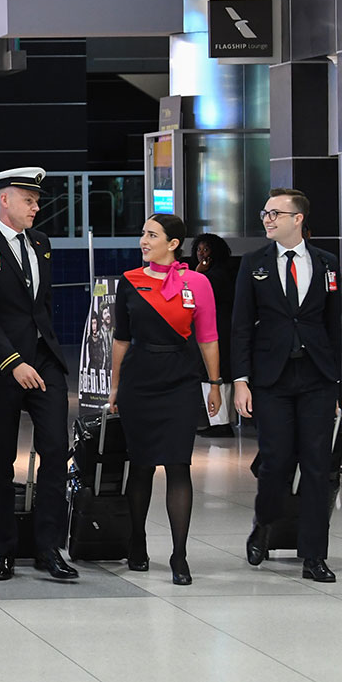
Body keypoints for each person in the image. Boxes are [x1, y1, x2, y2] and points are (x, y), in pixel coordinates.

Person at [0, 167, 78, 582]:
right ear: (4, 200)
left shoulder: (41, 243)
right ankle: (3, 550)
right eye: (28, 199)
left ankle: (49, 547)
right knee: (1, 459)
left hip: (44, 361)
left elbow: (39, 306)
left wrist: (42, 354)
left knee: (56, 449)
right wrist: (13, 362)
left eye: (38, 199)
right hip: (2, 368)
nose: (36, 206)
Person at [234, 189, 341, 583]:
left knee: (317, 468)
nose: (268, 219)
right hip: (271, 377)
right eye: (265, 212)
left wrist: (337, 385)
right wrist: (240, 381)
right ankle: (264, 525)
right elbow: (241, 325)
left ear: (298, 219)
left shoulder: (327, 264)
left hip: (316, 377)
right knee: (276, 462)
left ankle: (314, 555)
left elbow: (336, 326)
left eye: (276, 213)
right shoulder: (254, 264)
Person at [108, 214, 221, 585]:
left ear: (173, 243)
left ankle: (179, 555)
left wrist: (215, 384)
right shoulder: (129, 281)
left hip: (181, 380)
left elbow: (207, 337)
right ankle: (136, 541)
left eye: (151, 234)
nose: (143, 239)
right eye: (142, 233)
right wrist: (114, 386)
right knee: (139, 466)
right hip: (139, 381)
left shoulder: (198, 283)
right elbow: (121, 339)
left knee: (178, 465)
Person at [192, 233, 236, 437]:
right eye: (199, 249)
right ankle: (221, 421)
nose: (201, 253)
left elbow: (194, 293)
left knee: (213, 373)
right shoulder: (223, 272)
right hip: (221, 329)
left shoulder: (214, 275)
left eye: (206, 249)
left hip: (216, 330)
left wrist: (198, 273)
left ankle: (220, 422)